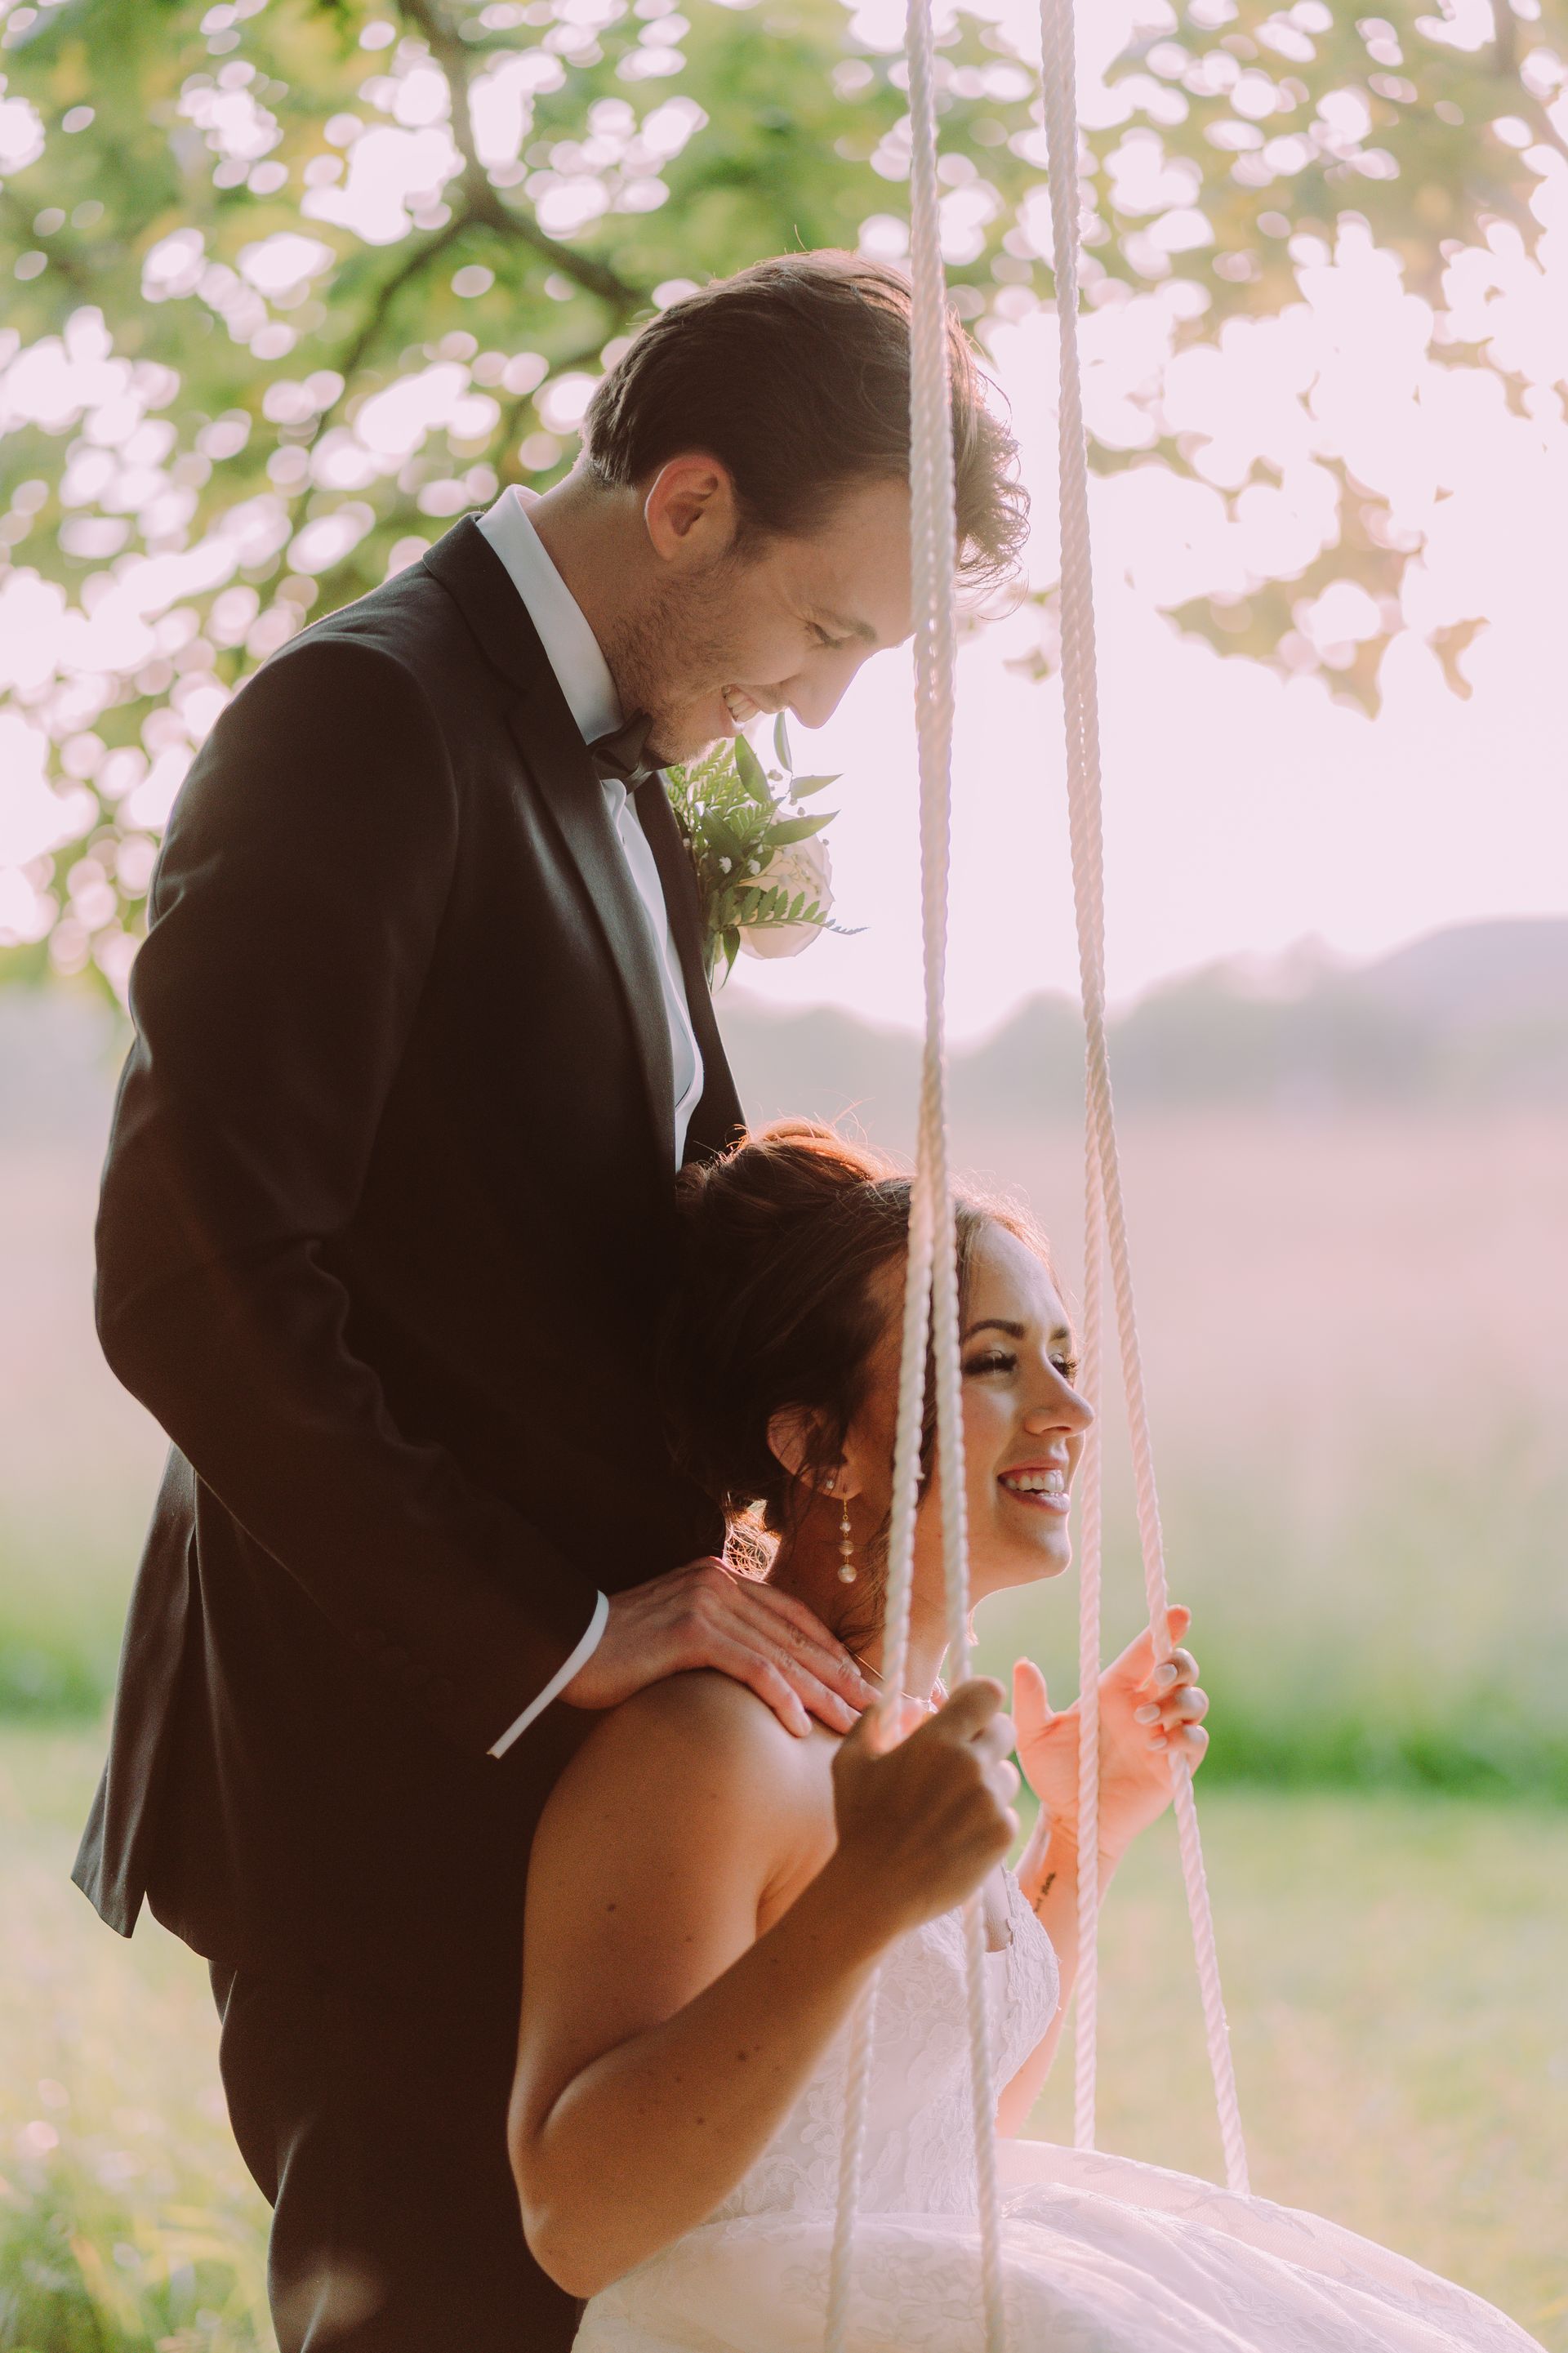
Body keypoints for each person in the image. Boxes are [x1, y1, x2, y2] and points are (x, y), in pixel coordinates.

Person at [73, 256, 1027, 2352]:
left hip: (599, 1797)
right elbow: (193, 1273)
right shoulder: (360, 721)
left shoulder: (612, 759)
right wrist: (559, 1637)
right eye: (833, 626)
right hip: (392, 1763)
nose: (821, 696)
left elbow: (589, 1232)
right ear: (686, 503)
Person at [511, 1123, 1544, 2353]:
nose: (1071, 1408)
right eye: (996, 1362)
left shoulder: (906, 1726)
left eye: (1062, 1353)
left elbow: (933, 2123)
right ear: (816, 1446)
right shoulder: (715, 1744)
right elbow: (576, 2219)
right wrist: (866, 1895)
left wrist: (1082, 1834)